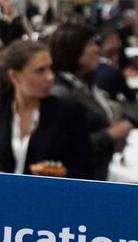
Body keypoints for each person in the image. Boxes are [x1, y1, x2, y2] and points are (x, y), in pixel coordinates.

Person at [0, 41, 93, 179]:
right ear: (15, 76)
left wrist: (59, 174)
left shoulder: (68, 113)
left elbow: (85, 169)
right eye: (40, 70)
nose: (50, 77)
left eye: (50, 68)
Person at [48, 24, 132, 181]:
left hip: (100, 168)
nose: (96, 49)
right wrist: (109, 135)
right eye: (89, 45)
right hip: (82, 179)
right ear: (72, 50)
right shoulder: (61, 94)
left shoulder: (84, 83)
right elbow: (67, 148)